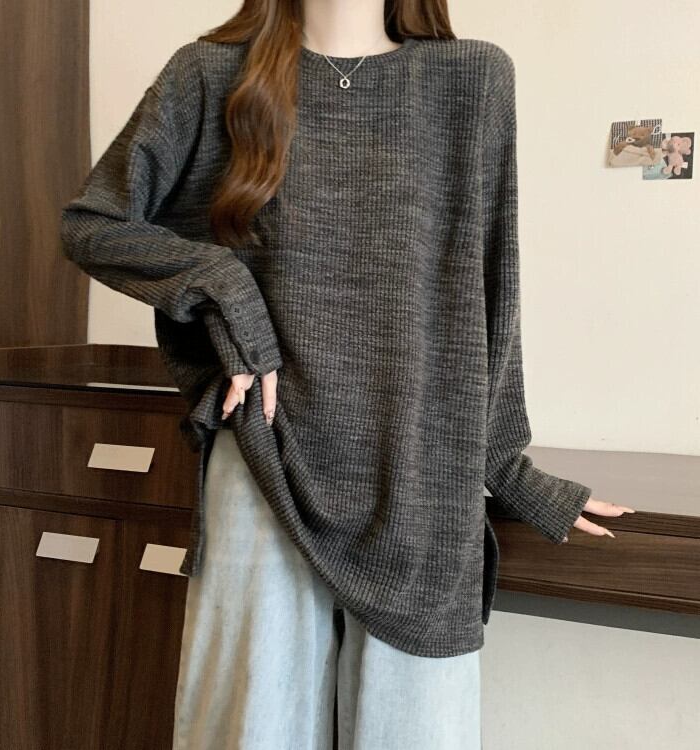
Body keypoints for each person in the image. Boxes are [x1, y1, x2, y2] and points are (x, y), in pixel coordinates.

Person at [60, 1, 636, 747]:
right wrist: (226, 290)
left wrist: (505, 466)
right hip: (265, 453)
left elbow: (490, 290)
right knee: (249, 731)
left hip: (420, 476)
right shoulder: (211, 75)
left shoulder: (472, 79)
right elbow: (95, 224)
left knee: (417, 733)